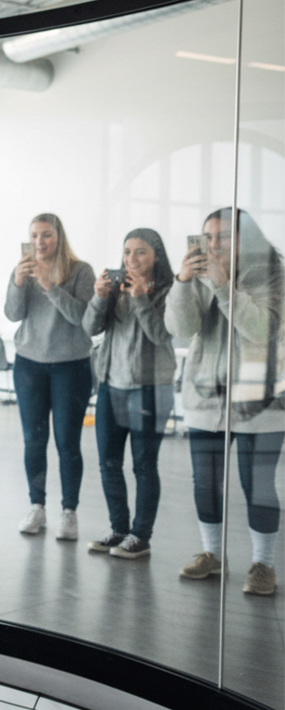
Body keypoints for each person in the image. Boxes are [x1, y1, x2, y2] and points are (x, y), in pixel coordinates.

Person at [166, 208, 283, 596]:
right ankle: (213, 554)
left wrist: (222, 286)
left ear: (246, 238)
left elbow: (261, 329)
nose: (213, 244)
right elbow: (181, 328)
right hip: (206, 398)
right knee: (206, 483)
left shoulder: (276, 275)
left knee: (257, 485)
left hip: (261, 401)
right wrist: (182, 282)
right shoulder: (199, 276)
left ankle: (263, 564)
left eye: (224, 236)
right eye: (208, 236)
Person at [82, 229, 177, 560]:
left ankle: (141, 536)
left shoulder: (168, 291)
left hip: (149, 389)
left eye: (140, 252)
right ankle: (119, 529)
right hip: (111, 385)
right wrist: (99, 296)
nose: (131, 259)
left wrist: (139, 298)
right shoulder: (116, 288)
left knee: (144, 465)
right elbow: (89, 328)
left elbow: (161, 335)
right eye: (127, 252)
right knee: (108, 462)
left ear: (156, 257)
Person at [5, 213, 95, 541]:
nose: (39, 242)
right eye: (34, 235)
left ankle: (69, 511)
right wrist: (18, 282)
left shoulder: (81, 271)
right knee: (34, 440)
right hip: (29, 364)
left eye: (46, 235)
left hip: (71, 366)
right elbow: (13, 314)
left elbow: (83, 318)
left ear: (59, 238)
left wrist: (49, 286)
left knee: (67, 443)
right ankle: (37, 506)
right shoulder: (23, 269)